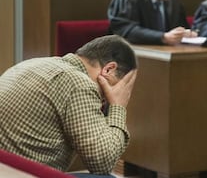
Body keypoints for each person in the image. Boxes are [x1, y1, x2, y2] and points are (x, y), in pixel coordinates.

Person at [0, 35, 137, 177]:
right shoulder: (78, 83)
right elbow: (102, 164)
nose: (106, 99)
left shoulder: (34, 63)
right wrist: (118, 106)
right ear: (109, 69)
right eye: (119, 86)